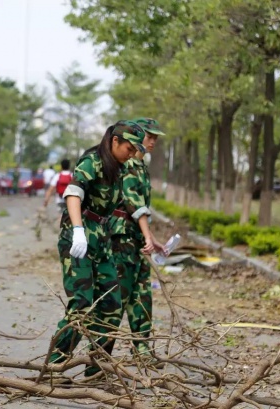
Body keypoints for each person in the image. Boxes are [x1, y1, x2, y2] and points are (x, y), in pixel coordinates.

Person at [48, 120, 148, 376]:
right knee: (81, 306)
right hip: (78, 238)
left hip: (103, 239)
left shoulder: (120, 167)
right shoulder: (92, 162)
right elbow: (73, 194)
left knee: (112, 304)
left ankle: (97, 369)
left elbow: (128, 204)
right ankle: (54, 366)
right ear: (115, 141)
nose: (131, 154)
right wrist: (79, 231)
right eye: (128, 148)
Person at [108, 118, 167, 359]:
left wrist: (151, 238)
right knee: (118, 296)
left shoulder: (141, 166)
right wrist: (147, 236)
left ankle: (142, 348)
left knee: (141, 294)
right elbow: (134, 204)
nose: (152, 141)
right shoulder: (129, 164)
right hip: (122, 239)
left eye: (155, 138)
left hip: (136, 239)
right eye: (148, 136)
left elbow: (142, 208)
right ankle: (100, 354)